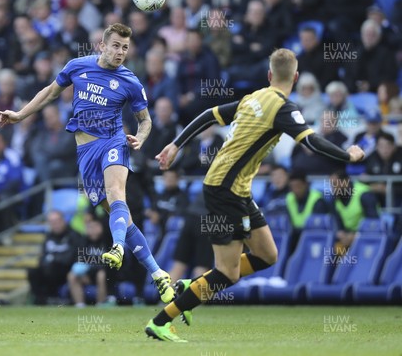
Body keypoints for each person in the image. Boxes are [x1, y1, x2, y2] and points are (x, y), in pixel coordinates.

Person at [146, 49, 365, 342]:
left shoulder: (254, 97)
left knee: (267, 255)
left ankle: (193, 287)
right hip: (225, 190)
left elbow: (208, 115)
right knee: (227, 273)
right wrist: (348, 155)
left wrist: (175, 144)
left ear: (269, 75)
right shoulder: (284, 108)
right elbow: (311, 141)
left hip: (235, 189)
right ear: (296, 78)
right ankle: (161, 321)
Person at [0, 23, 175, 303]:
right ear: (102, 46)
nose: (120, 52)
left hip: (114, 142)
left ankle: (116, 247)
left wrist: (140, 138)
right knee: (122, 219)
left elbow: (145, 120)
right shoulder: (77, 66)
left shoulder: (130, 81)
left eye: (125, 48)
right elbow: (50, 92)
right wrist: (20, 114)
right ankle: (157, 274)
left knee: (118, 193)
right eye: (116, 45)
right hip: (86, 152)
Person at [29, 210, 81, 305]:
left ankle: (58, 298)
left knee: (53, 268)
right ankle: (40, 300)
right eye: (52, 222)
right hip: (49, 268)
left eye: (57, 221)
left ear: (63, 221)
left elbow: (73, 256)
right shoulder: (48, 237)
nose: (55, 225)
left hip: (66, 269)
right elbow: (43, 255)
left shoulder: (74, 235)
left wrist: (54, 259)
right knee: (33, 271)